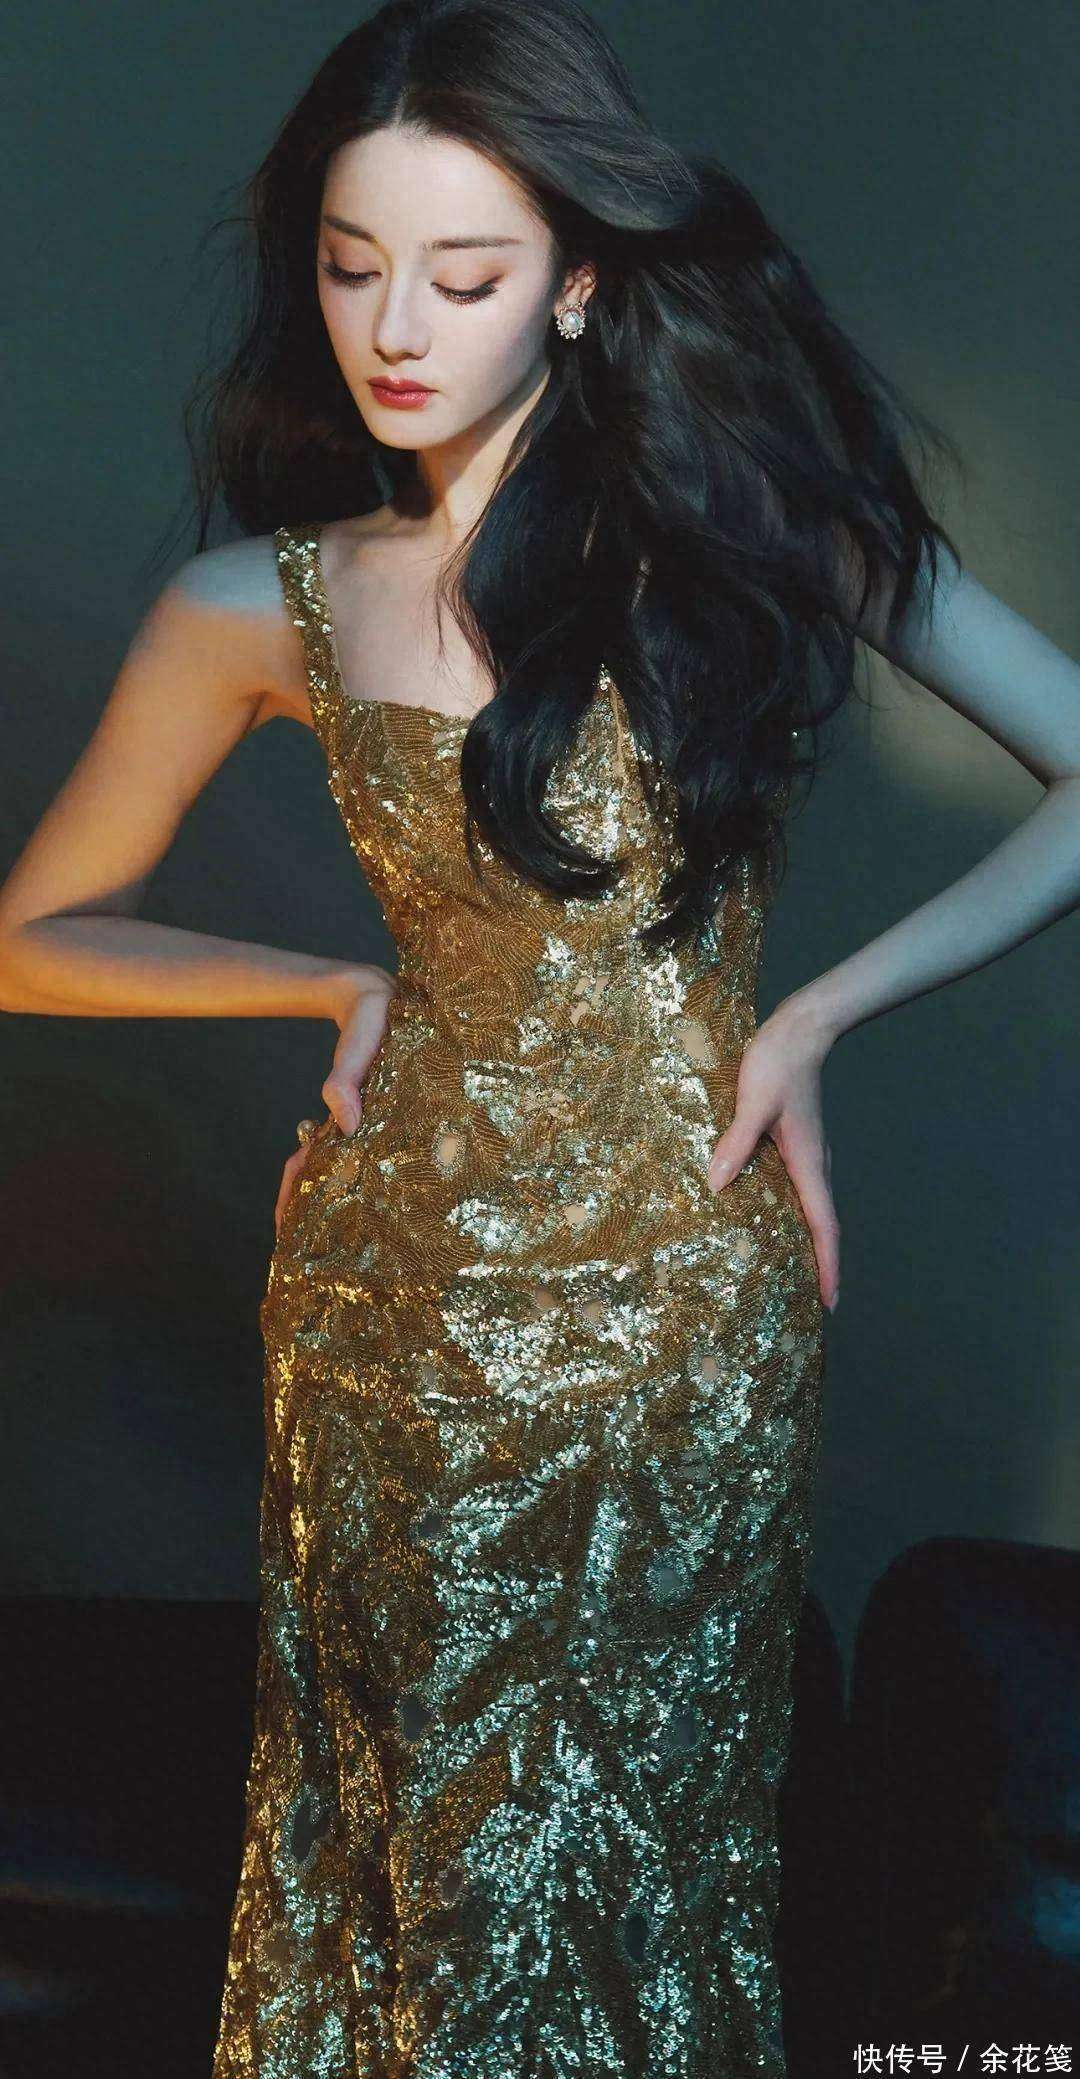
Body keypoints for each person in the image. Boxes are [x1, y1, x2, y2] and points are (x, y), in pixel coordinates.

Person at [2, 0, 1078, 2071]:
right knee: (397, 1843)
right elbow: (32, 933)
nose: (396, 328)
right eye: (351, 267)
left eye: (466, 272)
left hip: (681, 1303)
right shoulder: (257, 604)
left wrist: (817, 1013)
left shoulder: (750, 528)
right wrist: (327, 981)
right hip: (384, 1305)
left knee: (629, 1861)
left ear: (580, 283)